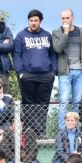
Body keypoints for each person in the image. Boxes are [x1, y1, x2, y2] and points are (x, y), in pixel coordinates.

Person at [13, 9, 57, 138]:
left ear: (40, 21)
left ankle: (41, 132)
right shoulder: (21, 36)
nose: (33, 23)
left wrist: (53, 72)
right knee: (28, 104)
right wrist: (20, 73)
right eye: (31, 21)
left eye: (36, 21)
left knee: (43, 104)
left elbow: (53, 55)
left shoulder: (48, 35)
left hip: (45, 75)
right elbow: (16, 55)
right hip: (27, 75)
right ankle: (30, 132)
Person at [52, 9, 82, 129]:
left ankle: (74, 128)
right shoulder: (56, 32)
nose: (65, 20)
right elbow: (58, 49)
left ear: (72, 18)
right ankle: (63, 129)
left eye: (67, 18)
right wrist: (65, 33)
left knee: (77, 102)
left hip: (79, 71)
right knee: (63, 102)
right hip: (65, 72)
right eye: (63, 18)